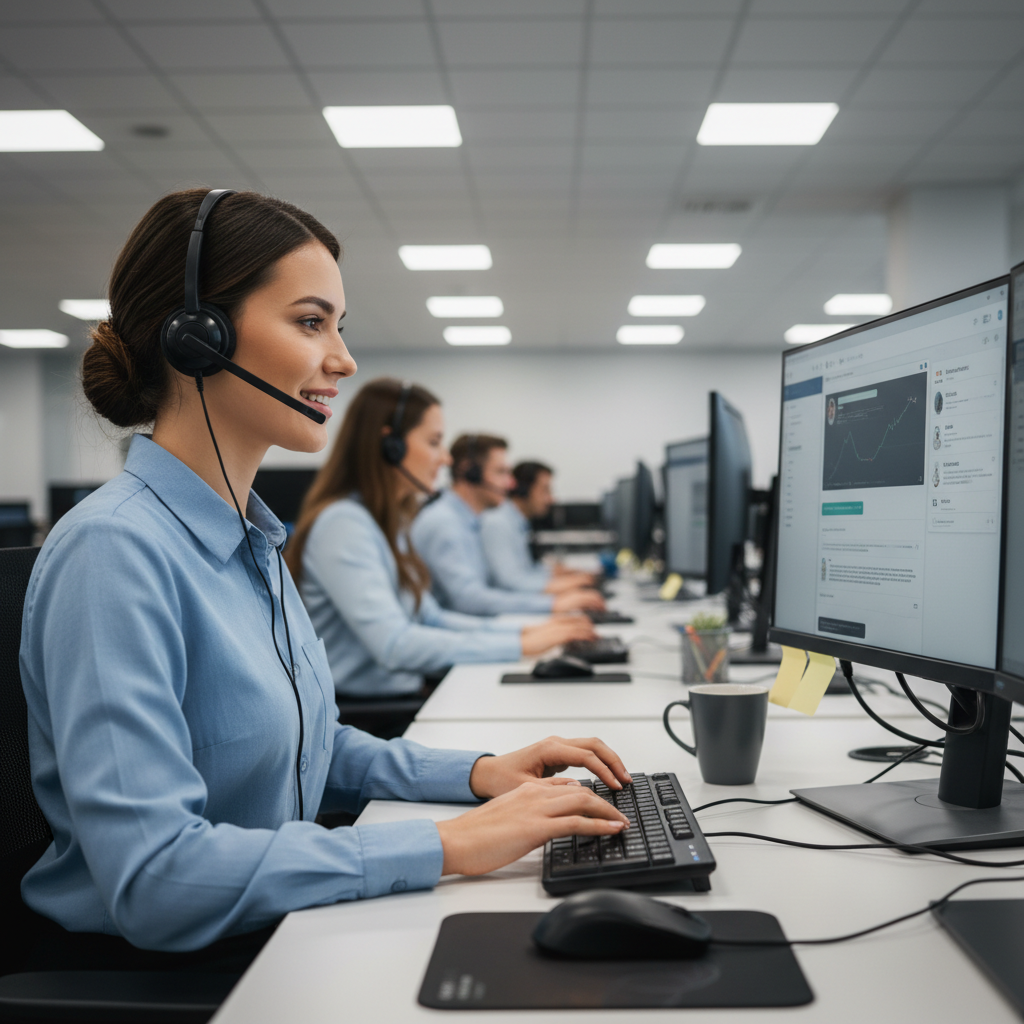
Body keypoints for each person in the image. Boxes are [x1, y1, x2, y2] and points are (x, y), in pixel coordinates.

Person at [17, 187, 631, 967]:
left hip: (279, 917)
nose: (341, 359)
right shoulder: (113, 553)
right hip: (175, 969)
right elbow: (158, 880)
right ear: (197, 339)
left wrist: (481, 776)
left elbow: (312, 748)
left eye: (338, 327)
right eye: (311, 322)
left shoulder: (254, 540)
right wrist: (445, 846)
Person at [285, 379, 597, 700]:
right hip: (368, 711)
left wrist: (521, 633)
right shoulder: (345, 524)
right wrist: (518, 643)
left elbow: (429, 616)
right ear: (390, 447)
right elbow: (394, 645)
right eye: (435, 442)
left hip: (403, 690)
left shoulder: (390, 521)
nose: (446, 459)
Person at [411, 434, 606, 617]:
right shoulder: (444, 523)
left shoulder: (469, 521)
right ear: (470, 472)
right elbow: (468, 600)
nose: (511, 484)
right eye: (501, 472)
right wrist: (551, 605)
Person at [481, 460, 597, 595]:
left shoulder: (517, 523)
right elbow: (511, 583)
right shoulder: (498, 523)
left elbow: (525, 571)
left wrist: (552, 572)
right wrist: (570, 583)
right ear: (523, 490)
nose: (551, 499)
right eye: (545, 490)